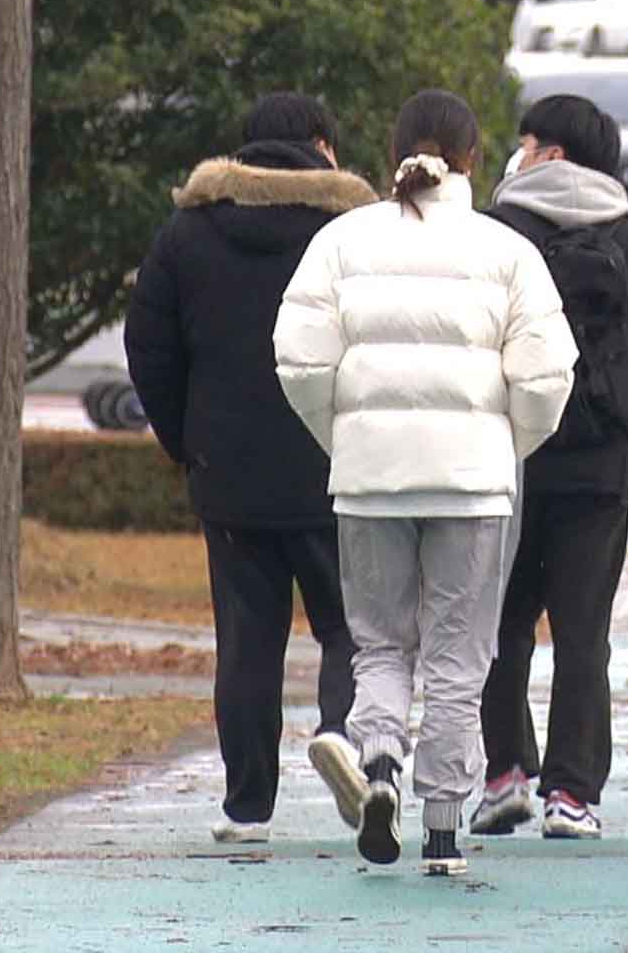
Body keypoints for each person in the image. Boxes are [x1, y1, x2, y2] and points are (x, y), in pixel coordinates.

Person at [272, 89, 576, 877]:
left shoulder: (342, 242)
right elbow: (546, 375)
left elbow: (300, 358)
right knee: (457, 657)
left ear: (393, 149)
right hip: (472, 482)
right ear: (474, 158)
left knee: (379, 643)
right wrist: (507, 444)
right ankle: (442, 830)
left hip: (370, 477)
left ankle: (379, 764)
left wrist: (344, 435)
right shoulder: (507, 251)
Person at [124, 93, 378, 844]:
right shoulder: (351, 233)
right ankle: (341, 734)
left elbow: (149, 346)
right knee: (351, 626)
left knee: (246, 641)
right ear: (323, 147)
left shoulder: (189, 231)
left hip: (228, 469)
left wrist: (186, 439)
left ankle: (247, 806)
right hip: (334, 464)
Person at [473, 95, 628, 840]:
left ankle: (505, 774)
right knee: (583, 632)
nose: (520, 153)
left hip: (507, 463)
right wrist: (625, 420)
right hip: (600, 474)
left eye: (528, 142)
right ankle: (572, 793)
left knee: (500, 626)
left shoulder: (496, 237)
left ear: (553, 154)